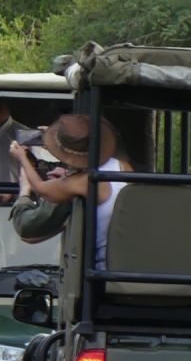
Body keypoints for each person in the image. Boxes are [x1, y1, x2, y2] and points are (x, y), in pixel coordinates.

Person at [11, 114, 130, 270]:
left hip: (102, 267)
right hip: (122, 260)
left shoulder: (83, 181)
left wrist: (22, 159)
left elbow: (41, 188)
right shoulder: (122, 165)